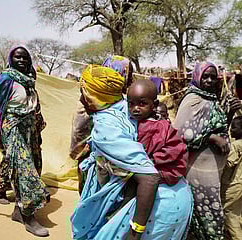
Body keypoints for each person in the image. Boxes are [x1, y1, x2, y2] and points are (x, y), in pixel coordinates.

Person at [71, 58, 193, 240]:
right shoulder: (124, 107)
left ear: (93, 96)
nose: (81, 99)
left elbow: (149, 178)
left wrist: (135, 232)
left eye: (84, 93)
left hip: (154, 205)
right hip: (177, 195)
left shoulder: (106, 128)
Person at [0, 44, 49, 237]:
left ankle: (18, 212)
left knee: (35, 167)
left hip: (30, 129)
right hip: (12, 128)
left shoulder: (30, 79)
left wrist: (38, 131)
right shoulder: (6, 79)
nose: (22, 60)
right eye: (18, 57)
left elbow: (34, 106)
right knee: (24, 171)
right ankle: (29, 217)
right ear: (11, 59)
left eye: (25, 57)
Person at [173, 61, 242, 240]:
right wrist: (212, 138)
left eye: (213, 77)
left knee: (208, 207)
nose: (210, 80)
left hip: (213, 168)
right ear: (197, 76)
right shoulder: (192, 99)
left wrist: (230, 112)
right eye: (205, 76)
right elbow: (182, 136)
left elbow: (218, 127)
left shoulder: (210, 98)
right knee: (210, 209)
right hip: (198, 169)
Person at [70, 55, 133, 195]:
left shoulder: (122, 101)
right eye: (129, 74)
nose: (130, 79)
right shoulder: (90, 98)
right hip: (92, 156)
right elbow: (78, 130)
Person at [128, 79, 188, 186]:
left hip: (160, 170)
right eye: (131, 104)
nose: (135, 108)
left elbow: (176, 149)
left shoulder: (162, 127)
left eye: (142, 103)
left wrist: (154, 158)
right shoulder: (128, 123)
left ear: (154, 105)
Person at [221, 116, 242, 240]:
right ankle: (228, 234)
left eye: (234, 127)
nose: (231, 130)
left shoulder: (236, 145)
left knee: (226, 211)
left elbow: (229, 163)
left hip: (232, 184)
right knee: (235, 212)